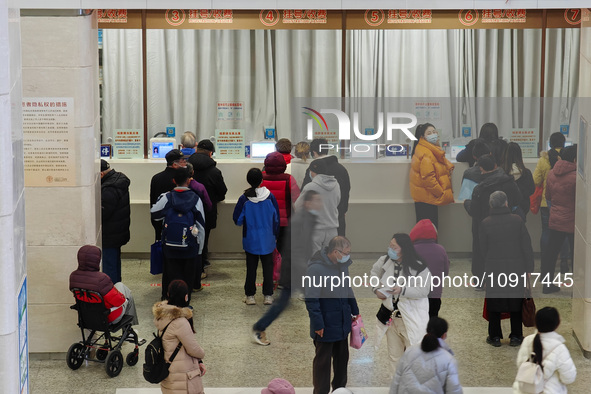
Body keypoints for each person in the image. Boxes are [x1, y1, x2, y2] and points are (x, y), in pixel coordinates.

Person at [252, 190, 320, 346]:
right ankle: (259, 328)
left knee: (290, 302)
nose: (319, 205)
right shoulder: (300, 221)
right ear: (307, 203)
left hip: (298, 269)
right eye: (316, 201)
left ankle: (260, 327)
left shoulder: (309, 219)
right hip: (294, 270)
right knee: (305, 300)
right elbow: (294, 250)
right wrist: (305, 271)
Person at [304, 236, 359, 394]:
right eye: (346, 252)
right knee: (323, 364)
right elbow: (311, 300)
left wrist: (355, 310)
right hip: (325, 326)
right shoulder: (315, 269)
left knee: (342, 362)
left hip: (342, 323)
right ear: (336, 252)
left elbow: (347, 289)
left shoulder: (343, 265)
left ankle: (340, 390)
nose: (348, 255)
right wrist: (318, 324)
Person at [370, 233, 431, 376]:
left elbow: (423, 290)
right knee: (394, 357)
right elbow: (373, 274)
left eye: (394, 247)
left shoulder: (419, 266)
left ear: (404, 248)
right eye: (390, 246)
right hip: (391, 320)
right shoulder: (384, 260)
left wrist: (402, 290)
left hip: (410, 317)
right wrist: (376, 289)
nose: (390, 249)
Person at [479, 191, 534, 347]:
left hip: (493, 267)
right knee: (516, 299)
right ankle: (516, 336)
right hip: (516, 267)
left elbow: (483, 249)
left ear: (491, 205)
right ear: (506, 203)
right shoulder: (517, 221)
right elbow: (526, 246)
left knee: (494, 299)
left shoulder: (485, 223)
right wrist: (529, 267)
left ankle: (495, 336)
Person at [464, 155, 522, 282]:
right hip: (507, 222)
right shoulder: (508, 181)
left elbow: (474, 211)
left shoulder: (479, 188)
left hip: (483, 225)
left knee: (480, 251)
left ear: (481, 168)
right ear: (496, 166)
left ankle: (480, 279)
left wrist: (466, 203)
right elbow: (518, 199)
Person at [151, 168, 205, 302]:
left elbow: (154, 214)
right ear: (189, 180)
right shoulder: (196, 199)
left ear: (174, 181)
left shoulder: (167, 197)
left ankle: (168, 299)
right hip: (190, 246)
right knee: (188, 276)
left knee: (170, 273)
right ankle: (184, 302)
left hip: (169, 245)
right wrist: (200, 249)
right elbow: (201, 225)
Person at [233, 168, 280, 306]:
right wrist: (275, 235)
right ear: (262, 180)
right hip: (268, 239)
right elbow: (276, 218)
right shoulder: (270, 196)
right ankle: (268, 295)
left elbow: (237, 220)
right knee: (268, 267)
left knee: (251, 268)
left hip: (251, 239)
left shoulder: (244, 199)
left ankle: (250, 296)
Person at [153, 280, 205, 394]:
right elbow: (193, 349)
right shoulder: (180, 322)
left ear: (168, 295)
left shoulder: (162, 316)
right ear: (186, 297)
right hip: (183, 378)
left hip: (169, 373)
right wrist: (202, 355)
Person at [69, 245, 139, 326]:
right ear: (97, 260)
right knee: (124, 289)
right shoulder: (101, 279)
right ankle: (129, 330)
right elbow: (118, 301)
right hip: (107, 317)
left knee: (119, 287)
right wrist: (125, 300)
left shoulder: (73, 276)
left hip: (86, 317)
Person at [389, 317, 462, 394]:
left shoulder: (409, 352)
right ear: (444, 335)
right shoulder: (449, 360)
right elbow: (454, 390)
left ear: (426, 330)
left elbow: (396, 382)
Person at [513, 307, 576, 393]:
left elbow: (520, 364)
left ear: (536, 323)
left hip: (525, 389)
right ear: (557, 324)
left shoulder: (527, 340)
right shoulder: (560, 348)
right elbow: (569, 377)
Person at [188, 140, 227, 276]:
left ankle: (189, 266)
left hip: (187, 211)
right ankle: (202, 265)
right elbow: (222, 192)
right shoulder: (215, 172)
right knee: (203, 239)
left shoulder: (186, 169)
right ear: (210, 153)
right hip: (207, 212)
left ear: (196, 150)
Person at [541, 145, 577, 294]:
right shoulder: (577, 178)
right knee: (577, 256)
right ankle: (578, 288)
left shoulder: (551, 173)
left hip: (555, 218)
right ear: (575, 159)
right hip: (573, 221)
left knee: (550, 254)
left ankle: (547, 286)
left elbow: (548, 196)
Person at [533, 132, 570, 268]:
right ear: (564, 143)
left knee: (546, 231)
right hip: (565, 203)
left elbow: (536, 180)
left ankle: (546, 261)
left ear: (550, 144)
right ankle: (564, 263)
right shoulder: (568, 158)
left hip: (545, 202)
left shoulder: (543, 159)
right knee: (564, 232)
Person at [409, 123, 454, 229]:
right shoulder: (426, 153)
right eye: (429, 133)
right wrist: (440, 193)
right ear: (422, 137)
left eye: (434, 132)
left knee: (426, 233)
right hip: (427, 200)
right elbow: (428, 179)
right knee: (429, 233)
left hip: (426, 198)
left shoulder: (430, 149)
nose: (433, 134)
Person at [302, 138, 351, 236]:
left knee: (317, 250)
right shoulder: (341, 169)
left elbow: (305, 193)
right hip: (337, 217)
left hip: (317, 221)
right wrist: (342, 211)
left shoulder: (313, 170)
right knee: (337, 247)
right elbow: (346, 191)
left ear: (314, 152)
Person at [295, 158, 340, 254]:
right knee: (330, 259)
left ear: (312, 172)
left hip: (315, 229)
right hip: (332, 229)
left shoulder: (310, 186)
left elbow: (298, 207)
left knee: (314, 260)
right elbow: (337, 202)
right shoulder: (336, 185)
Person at [409, 219, 450, 318]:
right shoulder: (441, 249)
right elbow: (445, 272)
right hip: (434, 294)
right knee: (432, 319)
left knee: (417, 322)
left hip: (416, 294)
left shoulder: (411, 250)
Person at [262, 151, 301, 253]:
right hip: (284, 220)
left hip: (265, 219)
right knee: (283, 246)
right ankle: (280, 266)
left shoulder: (261, 177)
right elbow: (297, 198)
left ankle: (269, 265)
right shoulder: (288, 178)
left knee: (267, 246)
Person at [100, 159, 131, 284]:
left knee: (109, 268)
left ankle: (112, 296)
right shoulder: (118, 180)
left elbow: (103, 213)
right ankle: (117, 290)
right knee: (114, 264)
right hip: (117, 231)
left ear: (101, 174)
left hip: (109, 234)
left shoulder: (108, 189)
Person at [150, 149, 187, 242]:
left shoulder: (156, 178)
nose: (185, 163)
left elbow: (153, 200)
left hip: (159, 220)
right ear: (175, 164)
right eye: (183, 161)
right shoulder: (181, 180)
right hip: (178, 221)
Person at [502, 142, 535, 221]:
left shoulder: (501, 172)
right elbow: (531, 190)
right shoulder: (526, 173)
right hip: (523, 207)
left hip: (504, 208)